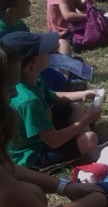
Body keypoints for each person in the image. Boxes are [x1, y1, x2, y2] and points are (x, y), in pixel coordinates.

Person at [0, 42, 108, 207]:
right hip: (35, 158)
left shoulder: (32, 86)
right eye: (10, 88)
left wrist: (65, 187)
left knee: (35, 192)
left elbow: (5, 167)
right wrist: (102, 200)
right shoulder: (27, 101)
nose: (15, 93)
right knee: (106, 201)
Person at [0, 31, 100, 169]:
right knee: (90, 139)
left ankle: (84, 146)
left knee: (74, 107)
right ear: (31, 66)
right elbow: (54, 141)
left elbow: (53, 96)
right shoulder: (29, 102)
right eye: (45, 51)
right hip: (34, 156)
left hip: (43, 134)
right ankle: (87, 153)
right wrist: (86, 119)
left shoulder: (30, 79)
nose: (51, 53)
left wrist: (83, 94)